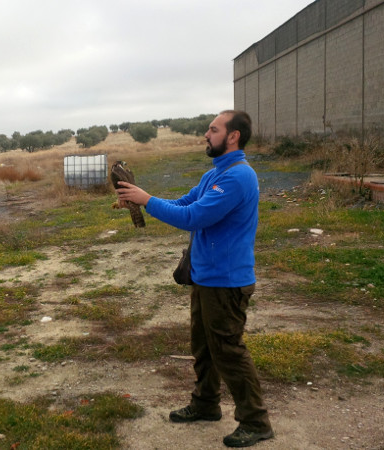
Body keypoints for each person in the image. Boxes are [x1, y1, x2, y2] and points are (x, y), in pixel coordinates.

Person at [116, 110, 273, 448]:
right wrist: (139, 199)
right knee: (204, 349)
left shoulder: (237, 177)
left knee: (228, 351)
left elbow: (193, 217)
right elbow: (184, 202)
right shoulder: (215, 175)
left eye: (213, 129)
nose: (206, 134)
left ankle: (256, 421)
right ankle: (205, 404)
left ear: (232, 137)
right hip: (206, 278)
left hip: (227, 282)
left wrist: (146, 200)